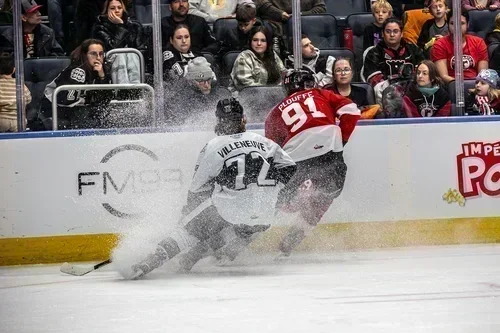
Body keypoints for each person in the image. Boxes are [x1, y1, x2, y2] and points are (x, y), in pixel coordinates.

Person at [128, 98, 297, 279]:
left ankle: (150, 262)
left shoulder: (214, 146)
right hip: (265, 216)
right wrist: (274, 191)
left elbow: (197, 190)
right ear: (243, 119)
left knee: (188, 232)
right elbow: (290, 167)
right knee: (235, 227)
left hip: (231, 210)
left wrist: (188, 216)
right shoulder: (264, 142)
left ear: (218, 122)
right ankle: (192, 257)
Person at [264, 69, 361, 256]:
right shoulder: (321, 94)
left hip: (296, 159)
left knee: (274, 201)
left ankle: (239, 239)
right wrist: (343, 139)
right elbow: (352, 111)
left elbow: (272, 151)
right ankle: (289, 244)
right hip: (329, 153)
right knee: (324, 198)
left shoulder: (275, 112)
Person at [40, 39, 113, 130]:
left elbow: (104, 101)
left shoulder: (102, 71)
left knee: (107, 116)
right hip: (54, 108)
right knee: (87, 118)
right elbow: (67, 100)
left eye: (101, 54)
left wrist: (102, 77)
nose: (98, 58)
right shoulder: (77, 71)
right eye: (93, 54)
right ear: (85, 55)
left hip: (76, 110)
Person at [363, 18, 425, 103]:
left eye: (395, 31)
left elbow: (423, 68)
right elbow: (372, 78)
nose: (392, 34)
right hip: (385, 93)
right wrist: (395, 87)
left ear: (401, 34)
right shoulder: (373, 53)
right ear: (382, 34)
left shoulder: (413, 50)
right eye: (388, 31)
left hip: (412, 89)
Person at [92, 0, 146, 84]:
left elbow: (141, 49)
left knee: (133, 54)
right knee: (119, 55)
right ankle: (122, 90)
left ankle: (136, 89)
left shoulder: (135, 26)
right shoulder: (100, 27)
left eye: (119, 8)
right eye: (112, 8)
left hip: (132, 61)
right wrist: (121, 26)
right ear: (107, 11)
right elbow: (113, 47)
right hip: (110, 62)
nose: (117, 10)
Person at [165, 56, 231, 125]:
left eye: (208, 79)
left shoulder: (223, 94)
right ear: (192, 81)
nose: (206, 85)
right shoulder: (180, 99)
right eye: (201, 81)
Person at [431, 10, 489, 84]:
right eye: (452, 23)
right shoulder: (439, 45)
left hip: (476, 86)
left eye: (461, 23)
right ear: (448, 25)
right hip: (451, 86)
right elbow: (443, 76)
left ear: (468, 25)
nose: (457, 27)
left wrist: (475, 86)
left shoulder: (479, 43)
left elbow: (483, 75)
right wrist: (462, 86)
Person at [381, 59, 451, 117]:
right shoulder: (410, 93)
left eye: (424, 73)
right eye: (418, 73)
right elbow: (413, 119)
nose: (420, 76)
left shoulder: (443, 95)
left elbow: (443, 119)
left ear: (432, 78)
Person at [229, 26, 285, 92]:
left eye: (263, 40)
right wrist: (271, 92)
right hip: (245, 98)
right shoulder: (243, 58)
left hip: (270, 96)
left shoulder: (272, 54)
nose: (259, 43)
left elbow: (283, 73)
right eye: (255, 40)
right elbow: (248, 87)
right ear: (250, 41)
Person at [0, 0, 64, 57]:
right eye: (34, 12)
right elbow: (7, 61)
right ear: (23, 17)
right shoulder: (8, 36)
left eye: (38, 11)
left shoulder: (48, 32)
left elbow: (59, 54)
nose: (39, 14)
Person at [0, 53, 32, 132]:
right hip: (18, 121)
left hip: (1, 119)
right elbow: (28, 99)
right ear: (14, 69)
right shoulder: (19, 84)